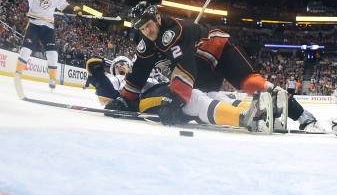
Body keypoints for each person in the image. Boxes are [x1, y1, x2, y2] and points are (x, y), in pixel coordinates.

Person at [106, 2, 322, 132]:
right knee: (202, 96)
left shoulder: (173, 31)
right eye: (142, 29)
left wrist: (176, 98)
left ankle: (304, 117)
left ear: (158, 18)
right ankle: (256, 113)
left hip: (219, 50)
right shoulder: (147, 42)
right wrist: (126, 99)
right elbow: (140, 72)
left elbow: (185, 65)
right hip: (201, 67)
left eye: (149, 25)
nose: (147, 32)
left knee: (252, 83)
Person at [86, 55, 272, 132]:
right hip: (150, 100)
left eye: (123, 64)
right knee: (196, 97)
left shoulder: (147, 71)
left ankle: (258, 112)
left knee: (210, 95)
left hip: (168, 93)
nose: (121, 67)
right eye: (117, 66)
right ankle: (243, 118)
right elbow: (109, 98)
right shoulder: (120, 81)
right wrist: (98, 75)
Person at [0, 0, 81, 89]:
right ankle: (18, 73)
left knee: (53, 54)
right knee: (26, 50)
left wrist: (74, 10)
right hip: (34, 24)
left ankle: (52, 79)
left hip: (48, 27)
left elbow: (64, 6)